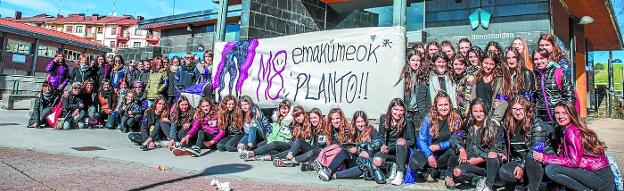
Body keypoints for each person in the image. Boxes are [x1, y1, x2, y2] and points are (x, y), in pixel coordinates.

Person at [533, 102, 615, 191]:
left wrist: (545, 158)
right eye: (557, 113)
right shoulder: (566, 129)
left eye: (565, 113)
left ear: (571, 114)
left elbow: (574, 162)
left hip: (601, 179)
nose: (560, 116)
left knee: (551, 169)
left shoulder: (571, 131)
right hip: (596, 177)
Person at [498, 96, 553, 191]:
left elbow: (536, 148)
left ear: (526, 109)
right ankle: (525, 183)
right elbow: (505, 144)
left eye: (520, 109)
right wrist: (503, 153)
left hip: (538, 161)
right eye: (515, 109)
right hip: (519, 160)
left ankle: (533, 187)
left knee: (532, 156)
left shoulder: (536, 122)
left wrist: (521, 166)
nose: (518, 112)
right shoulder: (508, 124)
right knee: (504, 171)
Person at [410, 91, 462, 188]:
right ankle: (427, 171)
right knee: (414, 161)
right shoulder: (429, 118)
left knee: (455, 150)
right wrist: (429, 155)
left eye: (446, 104)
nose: (443, 108)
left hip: (445, 155)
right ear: (436, 106)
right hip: (430, 154)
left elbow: (457, 139)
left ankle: (449, 176)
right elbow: (421, 140)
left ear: (450, 105)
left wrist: (439, 146)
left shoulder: (455, 119)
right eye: (440, 105)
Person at [372, 98, 415, 185]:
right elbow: (380, 136)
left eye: (401, 110)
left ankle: (400, 173)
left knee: (400, 141)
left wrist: (391, 147)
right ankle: (392, 166)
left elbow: (411, 141)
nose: (398, 113)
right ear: (391, 109)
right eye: (396, 109)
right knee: (377, 160)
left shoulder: (408, 121)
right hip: (389, 152)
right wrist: (383, 145)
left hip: (403, 153)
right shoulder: (383, 118)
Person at [533, 48, 575, 125]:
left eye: (542, 58)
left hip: (559, 119)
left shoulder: (558, 72)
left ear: (548, 59)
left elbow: (570, 95)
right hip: (542, 120)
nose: (539, 62)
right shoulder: (534, 75)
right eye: (536, 59)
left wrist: (563, 114)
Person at [473, 52, 511, 122]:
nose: (488, 66)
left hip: (491, 115)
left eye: (491, 64)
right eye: (486, 63)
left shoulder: (499, 80)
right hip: (477, 115)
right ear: (481, 62)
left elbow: (502, 101)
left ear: (495, 65)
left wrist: (495, 120)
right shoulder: (476, 76)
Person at [400, 51, 430, 129]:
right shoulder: (404, 75)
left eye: (418, 60)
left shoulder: (424, 76)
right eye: (413, 60)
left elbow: (423, 99)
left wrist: (424, 117)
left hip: (418, 113)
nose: (415, 63)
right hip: (407, 112)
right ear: (409, 61)